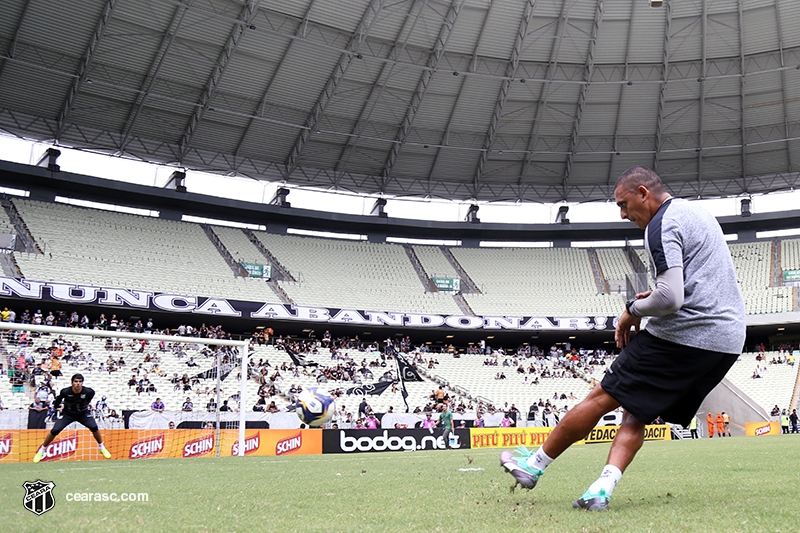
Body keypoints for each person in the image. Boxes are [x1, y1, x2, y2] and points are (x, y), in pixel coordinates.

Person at [500, 166, 746, 511]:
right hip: (726, 342)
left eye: (625, 204)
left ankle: (533, 465)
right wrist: (652, 298)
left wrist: (632, 309)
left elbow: (671, 299)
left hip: (685, 334)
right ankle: (600, 490)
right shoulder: (699, 214)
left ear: (644, 193)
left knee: (601, 397)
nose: (623, 214)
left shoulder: (661, 225)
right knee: (635, 413)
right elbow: (689, 285)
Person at [33, 373, 112, 462]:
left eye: (80, 382)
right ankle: (42, 450)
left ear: (82, 383)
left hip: (82, 414)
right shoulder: (65, 392)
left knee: (94, 427)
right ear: (72, 383)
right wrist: (54, 409)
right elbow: (57, 401)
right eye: (76, 381)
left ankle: (101, 447)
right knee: (55, 430)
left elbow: (88, 399)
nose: (78, 383)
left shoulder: (89, 392)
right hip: (68, 414)